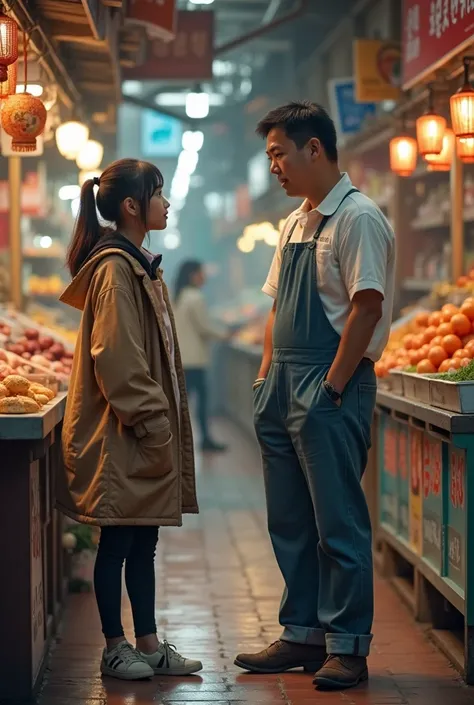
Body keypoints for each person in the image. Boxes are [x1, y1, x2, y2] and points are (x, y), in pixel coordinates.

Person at [234, 102, 395, 690]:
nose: (273, 166)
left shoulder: (359, 218)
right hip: (281, 387)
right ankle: (301, 633)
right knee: (291, 521)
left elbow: (367, 305)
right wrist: (264, 378)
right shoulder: (293, 223)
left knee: (338, 524)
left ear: (314, 149)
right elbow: (278, 305)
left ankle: (347, 645)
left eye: (279, 153)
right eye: (270, 155)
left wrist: (331, 384)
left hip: (330, 384)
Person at [56, 159, 202, 681]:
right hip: (125, 432)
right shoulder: (117, 269)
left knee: (144, 538)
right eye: (158, 194)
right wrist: (153, 421)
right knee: (117, 538)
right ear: (131, 206)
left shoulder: (138, 263)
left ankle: (148, 642)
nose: (166, 203)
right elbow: (116, 358)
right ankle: (115, 646)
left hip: (137, 431)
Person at [173, 260, 228, 452]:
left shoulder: (178, 297)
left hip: (182, 359)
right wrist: (226, 334)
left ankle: (178, 440)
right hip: (195, 359)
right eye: (200, 272)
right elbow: (204, 327)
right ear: (192, 275)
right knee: (202, 402)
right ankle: (205, 439)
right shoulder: (195, 297)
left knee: (182, 402)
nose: (203, 276)